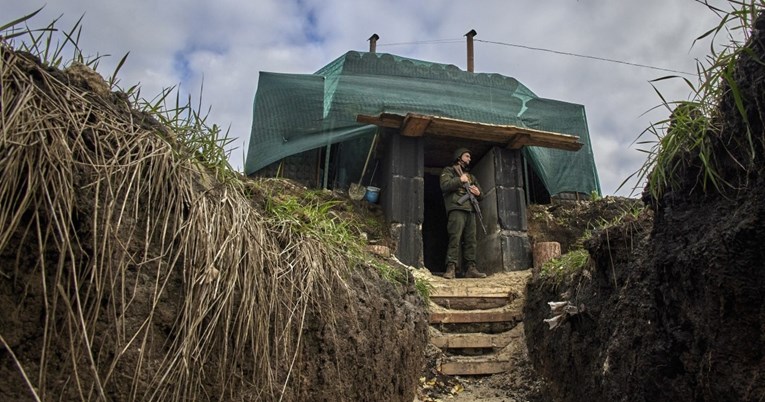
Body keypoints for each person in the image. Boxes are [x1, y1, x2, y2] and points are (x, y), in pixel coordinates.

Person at [439, 148, 487, 279]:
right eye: (467, 156)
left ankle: (471, 268)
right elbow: (445, 185)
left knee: (471, 240)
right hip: (457, 208)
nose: (469, 159)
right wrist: (460, 180)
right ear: (459, 157)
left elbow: (481, 194)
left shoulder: (471, 177)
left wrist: (478, 193)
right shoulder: (448, 171)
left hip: (470, 210)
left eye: (470, 157)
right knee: (455, 238)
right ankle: (451, 267)